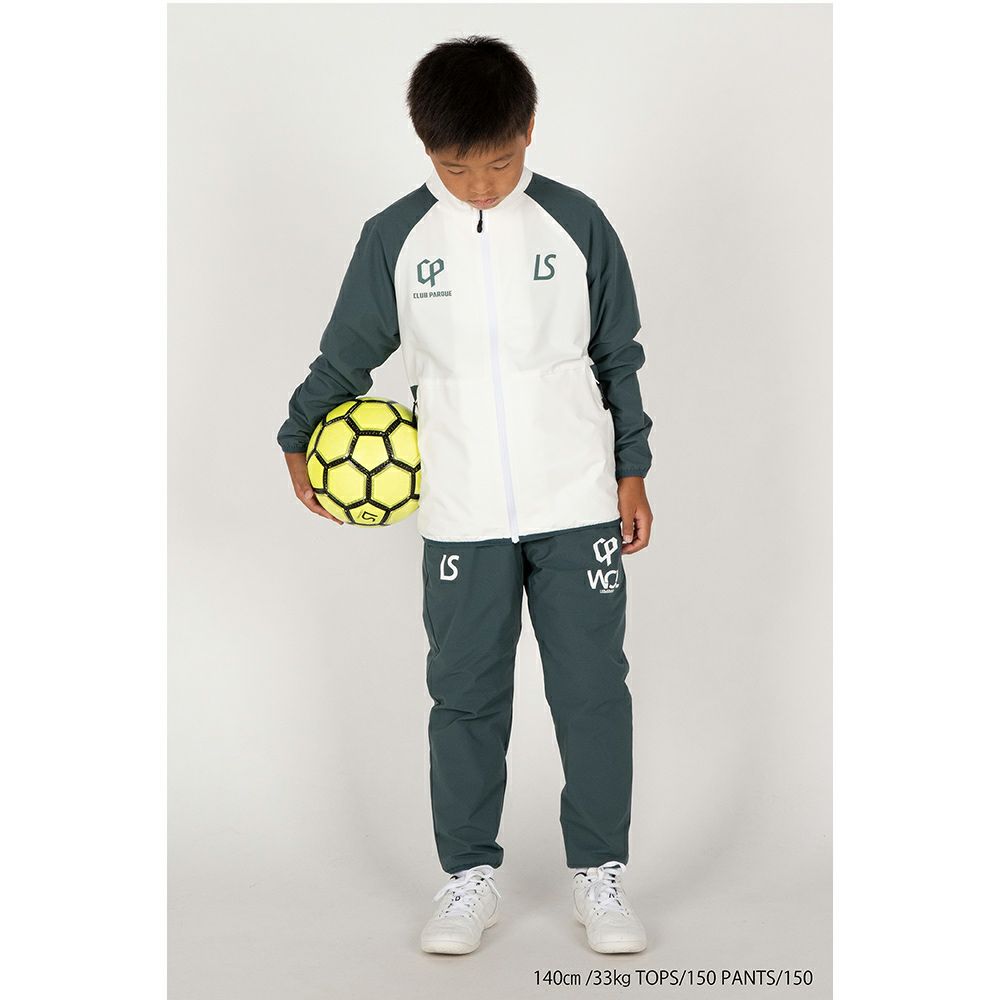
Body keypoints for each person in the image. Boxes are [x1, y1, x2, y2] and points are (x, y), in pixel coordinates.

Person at [277, 35, 653, 956]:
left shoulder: (576, 223)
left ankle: (599, 874)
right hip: (461, 509)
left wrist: (632, 468)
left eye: (499, 163)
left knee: (591, 693)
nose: (480, 185)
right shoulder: (395, 237)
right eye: (456, 168)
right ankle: (468, 876)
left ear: (529, 131)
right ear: (424, 146)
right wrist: (297, 432)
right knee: (465, 697)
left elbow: (618, 355)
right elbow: (346, 354)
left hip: (576, 501)